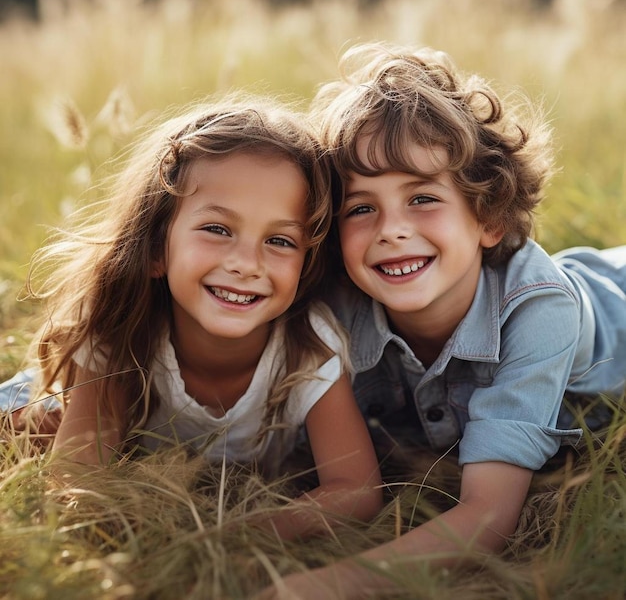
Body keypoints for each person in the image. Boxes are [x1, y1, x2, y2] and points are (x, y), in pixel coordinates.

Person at [259, 41, 626, 597]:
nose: (391, 229)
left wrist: (325, 586)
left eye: (423, 198)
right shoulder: (333, 307)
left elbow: (487, 515)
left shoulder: (538, 311)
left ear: (490, 218)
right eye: (361, 208)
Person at [0, 93, 382, 540]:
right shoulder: (119, 328)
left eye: (280, 240)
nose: (247, 263)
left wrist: (244, 537)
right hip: (47, 400)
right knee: (26, 431)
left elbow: (357, 488)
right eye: (218, 229)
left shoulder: (309, 349)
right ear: (157, 247)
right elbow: (80, 476)